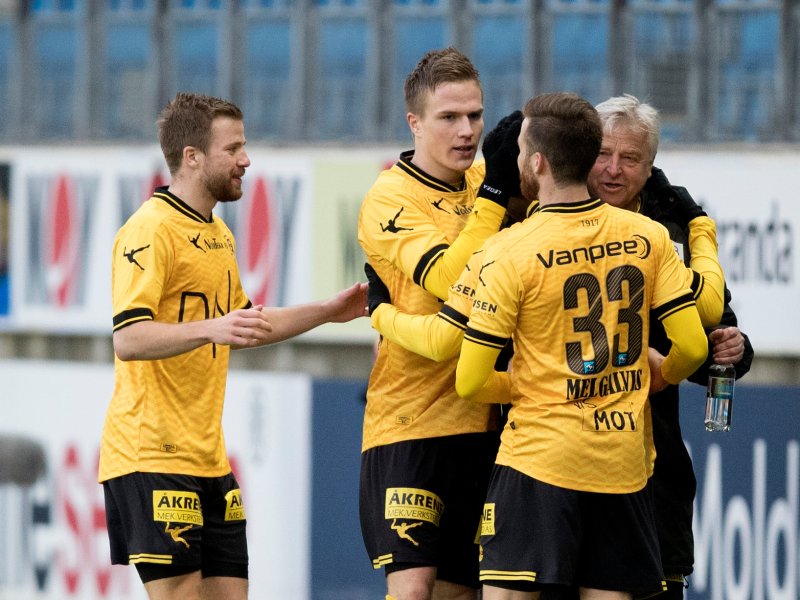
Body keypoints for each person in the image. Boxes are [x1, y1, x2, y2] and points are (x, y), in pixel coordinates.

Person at [98, 92, 368, 600]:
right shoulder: (148, 230)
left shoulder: (218, 233)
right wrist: (210, 328)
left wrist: (330, 311)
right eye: (234, 148)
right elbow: (128, 338)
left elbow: (245, 324)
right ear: (192, 157)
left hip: (209, 461)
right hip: (151, 453)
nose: (246, 159)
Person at [453, 91, 710, 599]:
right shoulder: (647, 236)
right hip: (623, 468)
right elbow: (695, 348)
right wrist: (656, 373)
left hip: (538, 463)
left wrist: (533, 381)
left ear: (538, 161)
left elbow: (470, 380)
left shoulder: (508, 251)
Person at [357, 47, 522, 600]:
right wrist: (498, 197)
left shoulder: (486, 179)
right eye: (449, 117)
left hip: (485, 422)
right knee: (412, 588)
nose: (467, 130)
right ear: (415, 122)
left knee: (462, 593)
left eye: (475, 115)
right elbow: (452, 280)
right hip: (411, 420)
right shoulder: (390, 197)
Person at [587, 94, 754, 599]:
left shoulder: (675, 226)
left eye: (630, 158)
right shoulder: (543, 216)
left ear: (651, 164)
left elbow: (718, 332)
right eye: (602, 154)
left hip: (653, 455)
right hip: (561, 457)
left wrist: (733, 350)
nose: (614, 170)